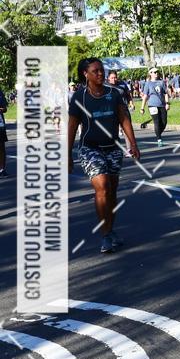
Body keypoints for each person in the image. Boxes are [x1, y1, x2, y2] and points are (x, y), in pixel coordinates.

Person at [68, 58, 140, 253]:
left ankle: (110, 228)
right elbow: (72, 127)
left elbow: (124, 117)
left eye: (102, 70)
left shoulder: (114, 93)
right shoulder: (79, 97)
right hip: (90, 148)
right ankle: (106, 234)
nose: (101, 74)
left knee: (112, 190)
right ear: (85, 73)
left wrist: (133, 143)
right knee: (102, 186)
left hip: (113, 147)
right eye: (96, 71)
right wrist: (67, 155)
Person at [140, 67, 170, 147]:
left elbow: (165, 93)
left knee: (164, 122)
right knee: (156, 122)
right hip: (152, 105)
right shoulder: (148, 83)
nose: (156, 73)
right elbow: (145, 96)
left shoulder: (161, 82)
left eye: (157, 72)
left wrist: (167, 103)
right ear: (150, 73)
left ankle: (158, 134)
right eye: (154, 72)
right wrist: (142, 108)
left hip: (162, 104)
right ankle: (159, 139)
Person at [0, 86, 8, 178]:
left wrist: (2, 109)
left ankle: (2, 169)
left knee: (1, 146)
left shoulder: (0, 93)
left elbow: (5, 108)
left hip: (0, 124)